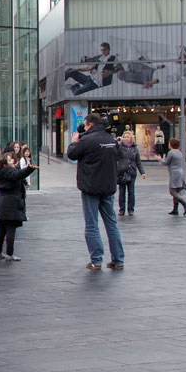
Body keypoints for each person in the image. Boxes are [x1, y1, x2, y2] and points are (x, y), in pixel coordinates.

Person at [66, 113, 125, 271]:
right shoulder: (111, 140)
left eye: (85, 125)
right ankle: (118, 260)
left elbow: (72, 154)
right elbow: (119, 156)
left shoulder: (86, 140)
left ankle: (96, 260)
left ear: (90, 125)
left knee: (92, 225)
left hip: (91, 187)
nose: (84, 128)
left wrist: (73, 142)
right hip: (108, 187)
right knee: (111, 224)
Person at [0, 152, 38, 261]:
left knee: (2, 229)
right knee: (10, 229)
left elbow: (18, 175)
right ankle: (9, 254)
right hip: (11, 202)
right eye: (9, 160)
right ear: (5, 163)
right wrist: (29, 169)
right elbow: (18, 175)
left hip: (1, 201)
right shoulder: (10, 171)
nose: (12, 161)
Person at [155, 138, 186, 216]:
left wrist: (159, 159)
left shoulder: (171, 152)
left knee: (172, 191)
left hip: (174, 173)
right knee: (176, 190)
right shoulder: (180, 153)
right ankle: (175, 209)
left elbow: (166, 163)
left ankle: (185, 204)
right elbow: (172, 161)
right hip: (180, 172)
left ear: (171, 144)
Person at [116, 131, 146, 216]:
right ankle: (121, 209)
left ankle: (131, 209)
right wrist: (117, 142)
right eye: (125, 137)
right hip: (122, 171)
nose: (126, 138)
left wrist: (142, 172)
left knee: (131, 191)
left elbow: (138, 162)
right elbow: (114, 153)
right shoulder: (120, 147)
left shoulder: (134, 148)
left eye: (128, 137)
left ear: (131, 138)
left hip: (132, 171)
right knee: (122, 191)